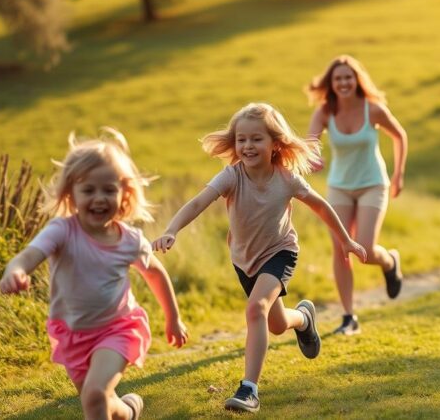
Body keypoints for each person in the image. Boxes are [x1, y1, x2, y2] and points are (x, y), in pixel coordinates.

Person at [152, 103, 366, 413]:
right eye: (242, 140)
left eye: (256, 139)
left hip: (281, 251)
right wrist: (172, 229)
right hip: (244, 258)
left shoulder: (286, 178)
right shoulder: (231, 176)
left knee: (256, 310)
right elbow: (199, 202)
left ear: (275, 143)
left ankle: (249, 389)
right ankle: (304, 319)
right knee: (276, 324)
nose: (248, 146)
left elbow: (320, 205)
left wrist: (345, 240)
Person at [0, 128, 187, 420]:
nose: (99, 198)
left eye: (109, 190)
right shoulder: (62, 231)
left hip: (119, 329)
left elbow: (155, 274)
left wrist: (173, 318)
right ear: (71, 193)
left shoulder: (130, 240)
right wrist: (16, 271)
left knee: (94, 395)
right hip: (73, 334)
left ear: (124, 194)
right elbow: (27, 257)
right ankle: (129, 410)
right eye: (89, 190)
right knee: (99, 402)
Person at [306, 55, 408, 336]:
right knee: (341, 249)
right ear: (331, 83)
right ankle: (349, 317)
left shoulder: (372, 109)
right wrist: (314, 158)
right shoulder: (325, 112)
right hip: (339, 186)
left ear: (357, 80)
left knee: (363, 248)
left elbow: (399, 135)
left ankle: (389, 261)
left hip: (373, 184)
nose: (343, 83)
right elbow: (310, 144)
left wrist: (398, 174)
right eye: (338, 78)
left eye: (348, 77)